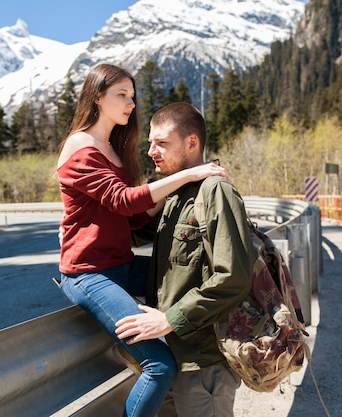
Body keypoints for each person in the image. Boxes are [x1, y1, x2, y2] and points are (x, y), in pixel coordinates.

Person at [55, 64, 227, 417]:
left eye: (133, 96)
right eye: (121, 94)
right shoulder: (80, 146)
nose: (131, 103)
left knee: (193, 276)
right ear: (97, 97)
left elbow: (134, 217)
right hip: (90, 274)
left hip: (121, 264)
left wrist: (183, 185)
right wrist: (187, 174)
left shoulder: (114, 149)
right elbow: (123, 200)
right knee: (160, 366)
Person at [115, 102, 256, 417]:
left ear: (192, 143)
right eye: (151, 142)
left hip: (203, 361)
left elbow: (232, 277)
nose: (152, 151)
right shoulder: (176, 195)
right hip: (169, 358)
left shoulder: (215, 191)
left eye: (162, 143)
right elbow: (131, 232)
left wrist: (168, 320)